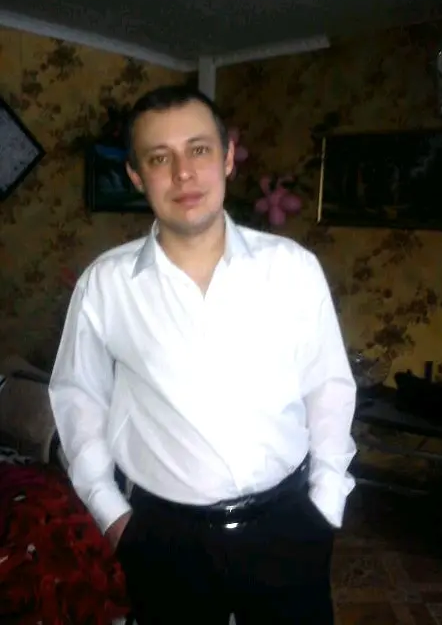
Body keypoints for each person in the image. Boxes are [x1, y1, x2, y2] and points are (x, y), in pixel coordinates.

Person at [49, 84, 356, 624]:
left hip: (288, 529)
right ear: (136, 176)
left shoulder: (292, 269)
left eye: (199, 149)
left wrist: (326, 501)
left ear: (228, 157)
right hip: (164, 542)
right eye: (159, 158)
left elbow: (327, 386)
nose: (183, 173)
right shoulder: (105, 285)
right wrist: (111, 513)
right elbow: (79, 399)